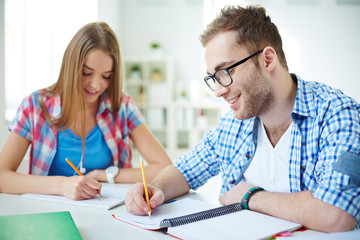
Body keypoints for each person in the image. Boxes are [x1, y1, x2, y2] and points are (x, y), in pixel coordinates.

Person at [125, 5, 360, 233]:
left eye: (225, 72)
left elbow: (336, 213)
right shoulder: (234, 123)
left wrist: (249, 197)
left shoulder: (337, 115)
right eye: (213, 78)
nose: (218, 91)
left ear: (267, 60)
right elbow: (184, 171)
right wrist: (155, 189)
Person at [0, 22, 172, 200]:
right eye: (86, 73)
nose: (96, 85)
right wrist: (62, 185)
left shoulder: (122, 106)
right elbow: (2, 178)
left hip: (107, 213)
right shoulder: (34, 106)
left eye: (106, 76)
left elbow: (165, 168)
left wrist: (106, 175)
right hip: (49, 212)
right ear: (70, 66)